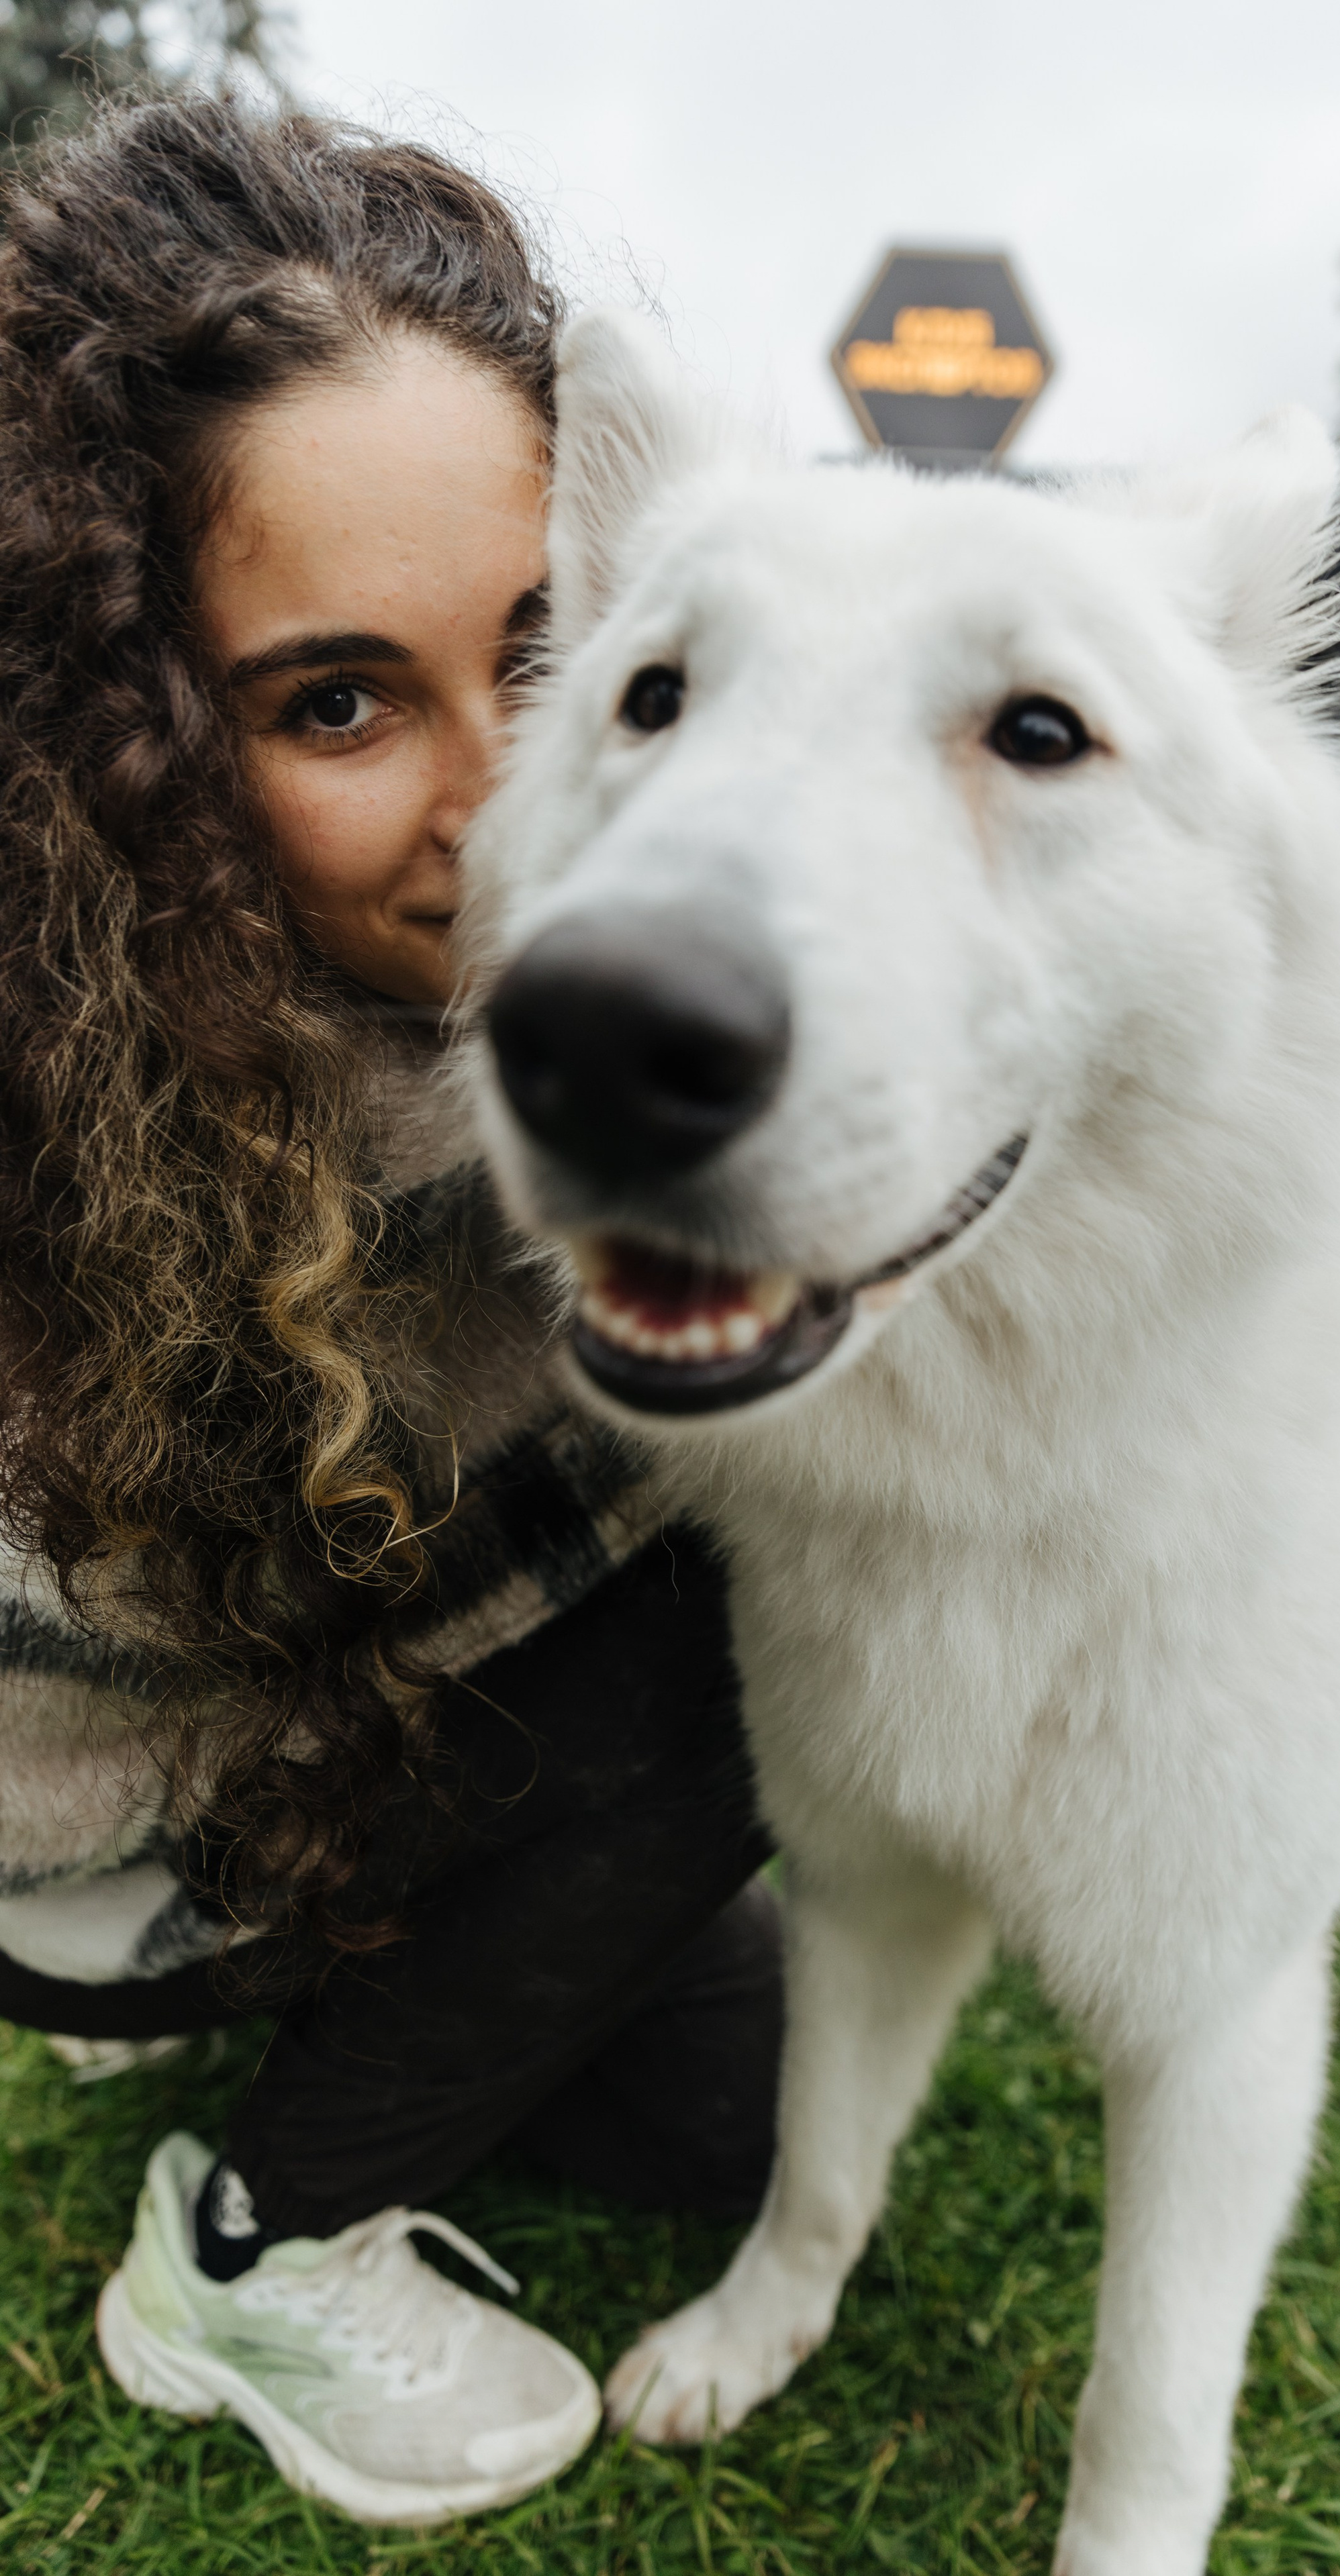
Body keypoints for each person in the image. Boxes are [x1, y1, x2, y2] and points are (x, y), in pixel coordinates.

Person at [0, 93, 783, 2526]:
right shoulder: (175, 1091)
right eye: (340, 704)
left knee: (729, 2125)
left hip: (334, 1661)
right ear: (124, 751)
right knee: (761, 1605)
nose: (519, 799)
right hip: (88, 1813)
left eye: (548, 643)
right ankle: (247, 2241)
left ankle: (380, 1977)